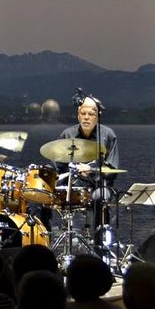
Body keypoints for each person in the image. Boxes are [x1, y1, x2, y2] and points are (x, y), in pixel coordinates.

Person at [53, 94, 120, 231]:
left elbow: (112, 170)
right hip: (73, 186)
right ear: (78, 115)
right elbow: (57, 166)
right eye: (83, 113)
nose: (86, 117)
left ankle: (98, 238)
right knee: (40, 197)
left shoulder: (108, 135)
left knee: (99, 196)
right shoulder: (67, 135)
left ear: (98, 116)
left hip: (99, 186)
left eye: (91, 114)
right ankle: (43, 237)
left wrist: (91, 170)